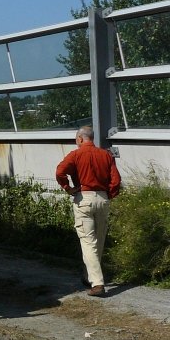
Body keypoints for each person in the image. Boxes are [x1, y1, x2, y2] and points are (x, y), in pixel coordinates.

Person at [56, 126, 121, 298]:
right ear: (92, 138)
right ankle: (88, 276)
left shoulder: (75, 155)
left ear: (79, 139)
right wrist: (108, 195)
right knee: (98, 241)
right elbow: (116, 180)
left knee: (88, 242)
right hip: (103, 198)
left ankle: (97, 283)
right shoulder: (106, 155)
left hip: (83, 198)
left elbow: (60, 172)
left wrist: (68, 188)